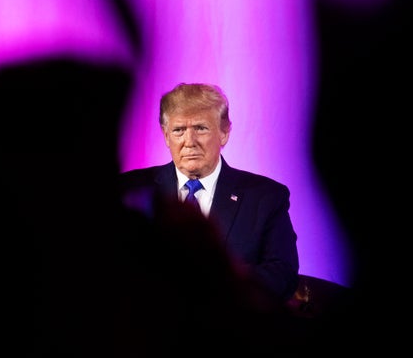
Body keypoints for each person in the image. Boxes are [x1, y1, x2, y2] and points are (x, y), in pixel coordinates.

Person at [119, 82, 300, 304]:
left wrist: (217, 287)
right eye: (178, 130)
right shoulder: (131, 190)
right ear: (166, 136)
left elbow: (283, 272)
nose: (189, 142)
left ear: (224, 133)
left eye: (200, 128)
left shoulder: (266, 197)